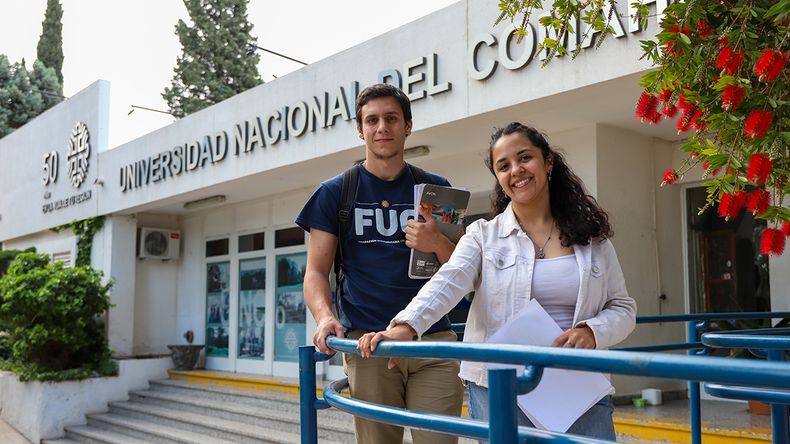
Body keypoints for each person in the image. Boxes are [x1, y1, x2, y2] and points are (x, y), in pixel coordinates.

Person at [358, 122, 637, 441]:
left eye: (525, 158)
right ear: (499, 179)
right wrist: (406, 326)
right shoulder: (482, 235)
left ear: (548, 162)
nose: (516, 170)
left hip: (577, 388)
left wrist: (592, 331)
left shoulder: (592, 240)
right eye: (504, 166)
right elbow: (449, 282)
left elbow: (623, 308)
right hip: (501, 387)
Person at [296, 83, 464, 444]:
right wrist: (325, 317)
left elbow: (462, 270)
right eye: (372, 120)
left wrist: (436, 241)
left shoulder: (436, 190)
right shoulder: (334, 192)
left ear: (408, 126)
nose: (382, 128)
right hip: (367, 343)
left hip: (432, 340)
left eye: (391, 118)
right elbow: (315, 272)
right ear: (360, 130)